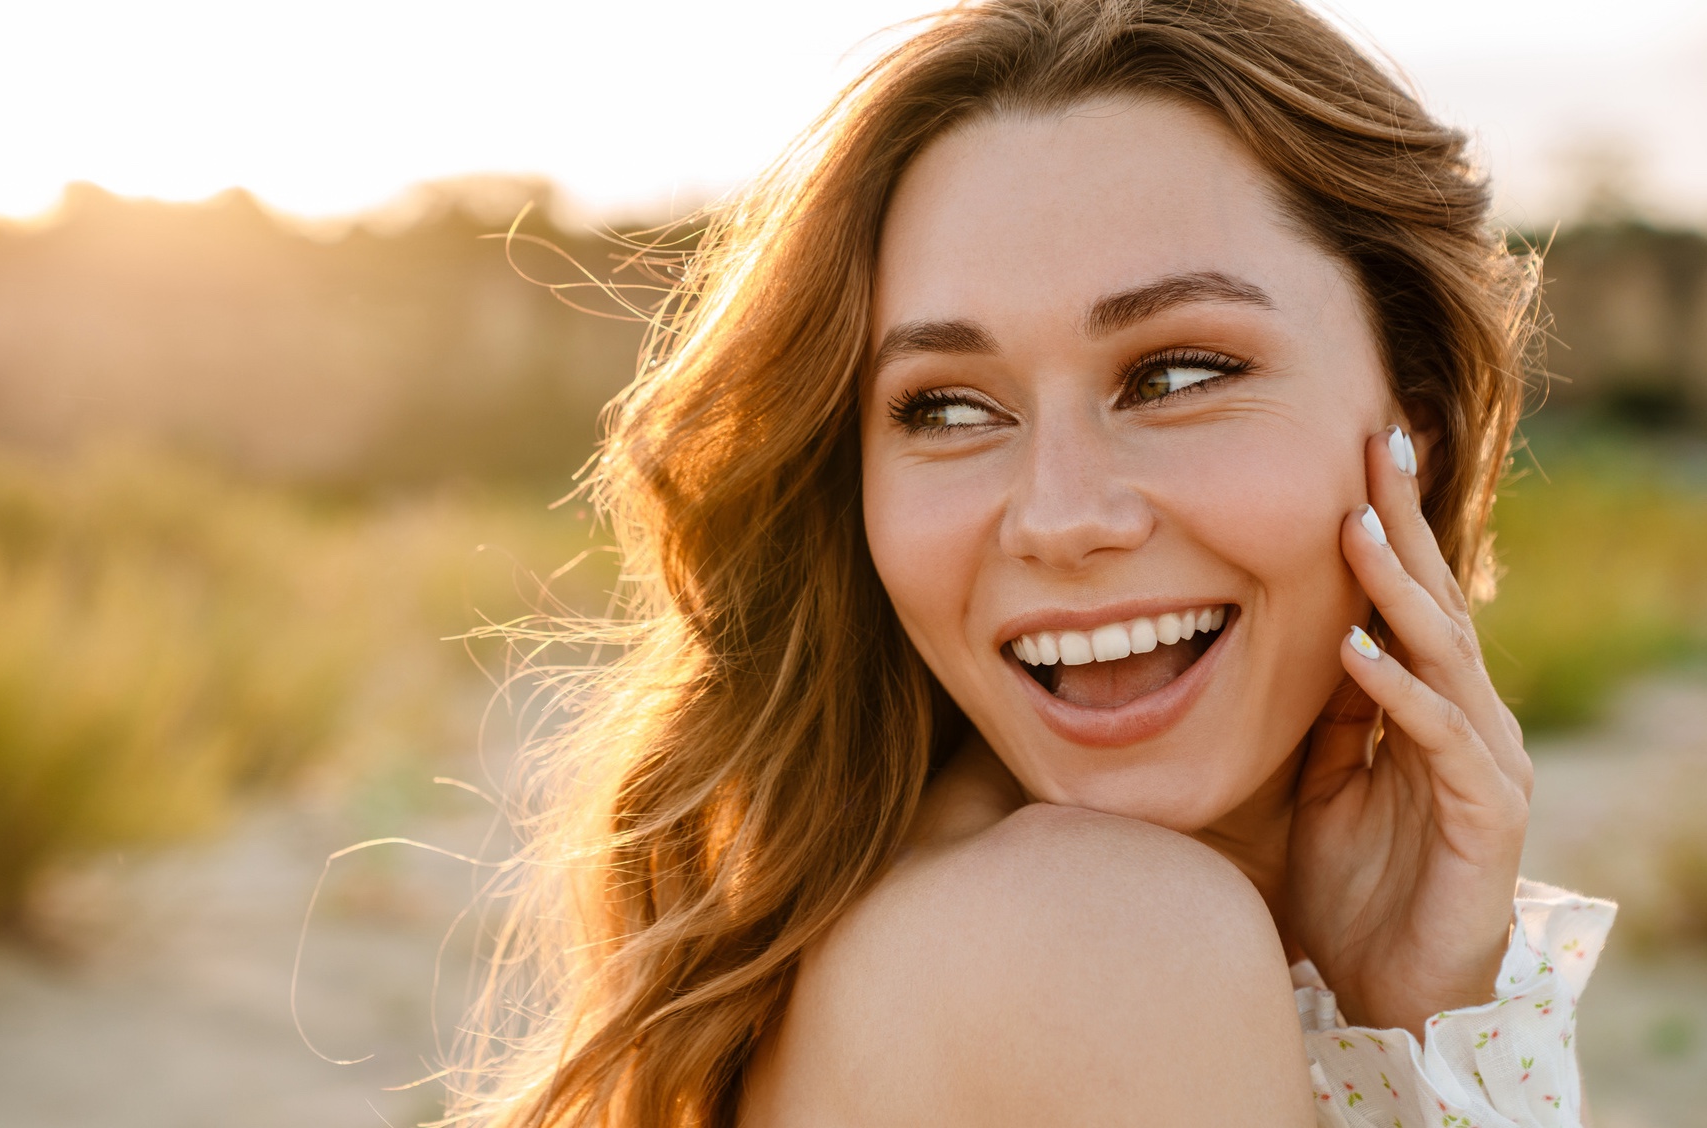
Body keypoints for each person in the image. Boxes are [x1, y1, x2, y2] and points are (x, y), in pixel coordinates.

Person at [452, 1, 1614, 1124]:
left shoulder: (939, 908)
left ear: (1413, 437)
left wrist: (1411, 1017)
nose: (1057, 518)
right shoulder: (1101, 939)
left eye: (1175, 375)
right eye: (948, 407)